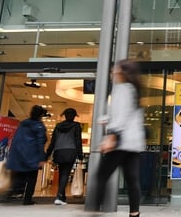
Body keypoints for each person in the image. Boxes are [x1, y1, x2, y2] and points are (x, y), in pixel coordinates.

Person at [88, 59, 145, 217]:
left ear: (122, 72)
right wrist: (106, 119)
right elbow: (128, 115)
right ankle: (134, 213)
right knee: (132, 179)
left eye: (115, 69)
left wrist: (112, 136)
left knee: (101, 175)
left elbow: (121, 117)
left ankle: (94, 212)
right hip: (133, 144)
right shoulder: (134, 90)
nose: (113, 72)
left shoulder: (121, 89)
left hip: (120, 141)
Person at [6, 105, 48, 205]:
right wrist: (42, 158)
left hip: (19, 153)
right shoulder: (39, 126)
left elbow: (16, 139)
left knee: (20, 174)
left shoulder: (22, 124)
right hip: (32, 154)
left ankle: (15, 193)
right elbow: (40, 142)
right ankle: (27, 199)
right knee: (32, 178)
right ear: (41, 115)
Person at [45, 107, 83, 205]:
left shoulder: (58, 126)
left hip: (58, 151)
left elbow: (53, 142)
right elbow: (78, 141)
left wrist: (47, 154)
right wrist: (80, 155)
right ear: (74, 116)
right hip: (70, 151)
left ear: (65, 116)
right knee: (65, 173)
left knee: (62, 173)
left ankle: (62, 196)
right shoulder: (76, 126)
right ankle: (59, 196)